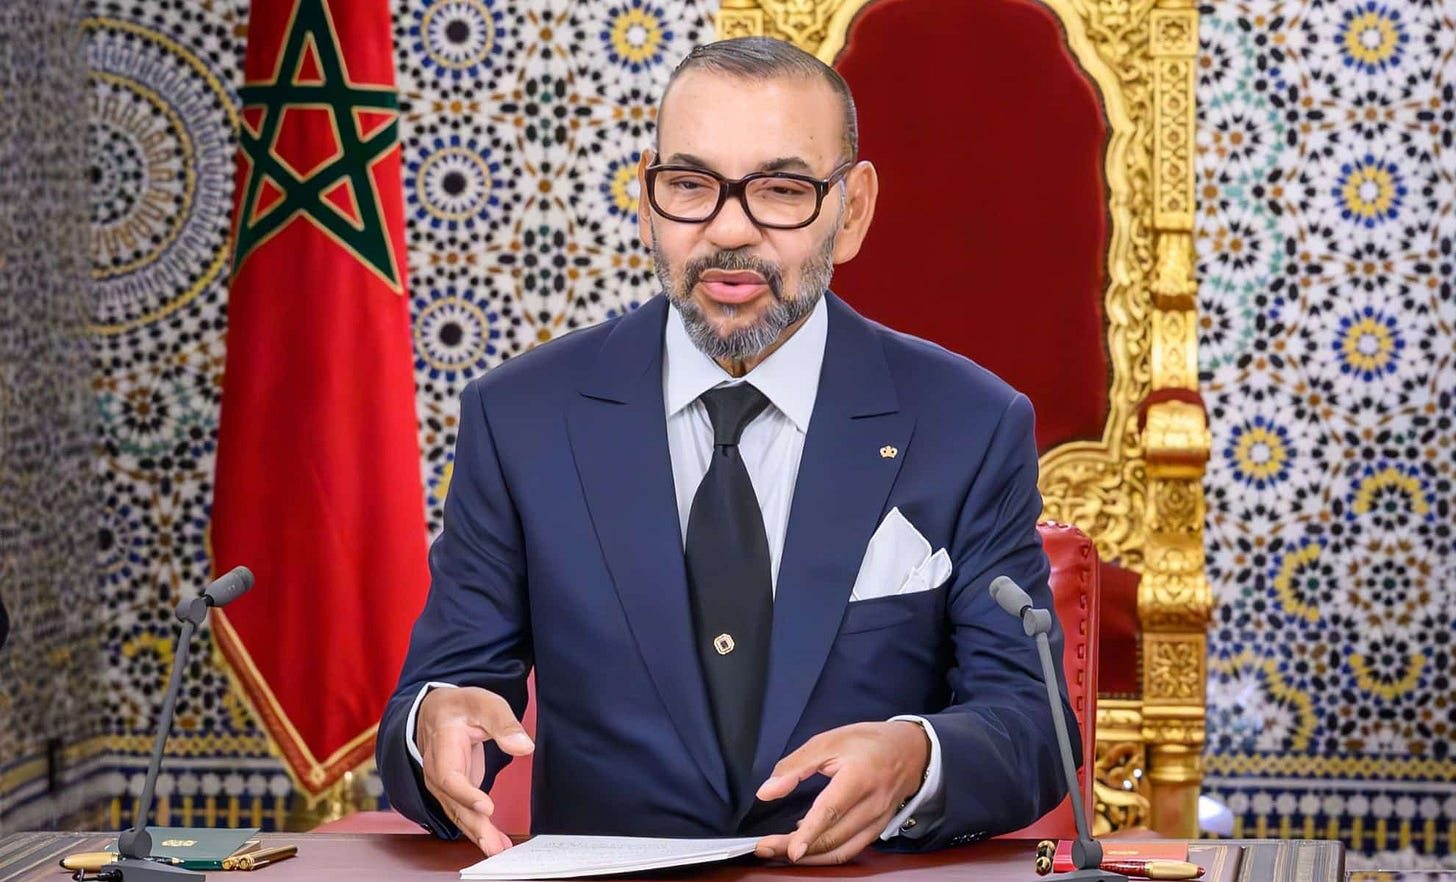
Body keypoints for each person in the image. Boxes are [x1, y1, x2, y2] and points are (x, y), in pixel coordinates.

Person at [377, 36, 1077, 864]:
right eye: (690, 185)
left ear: (851, 210)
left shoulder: (970, 423)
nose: (729, 229)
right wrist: (436, 724)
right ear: (647, 198)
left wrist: (917, 756)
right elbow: (440, 692)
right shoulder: (519, 417)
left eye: (781, 190)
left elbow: (1032, 725)